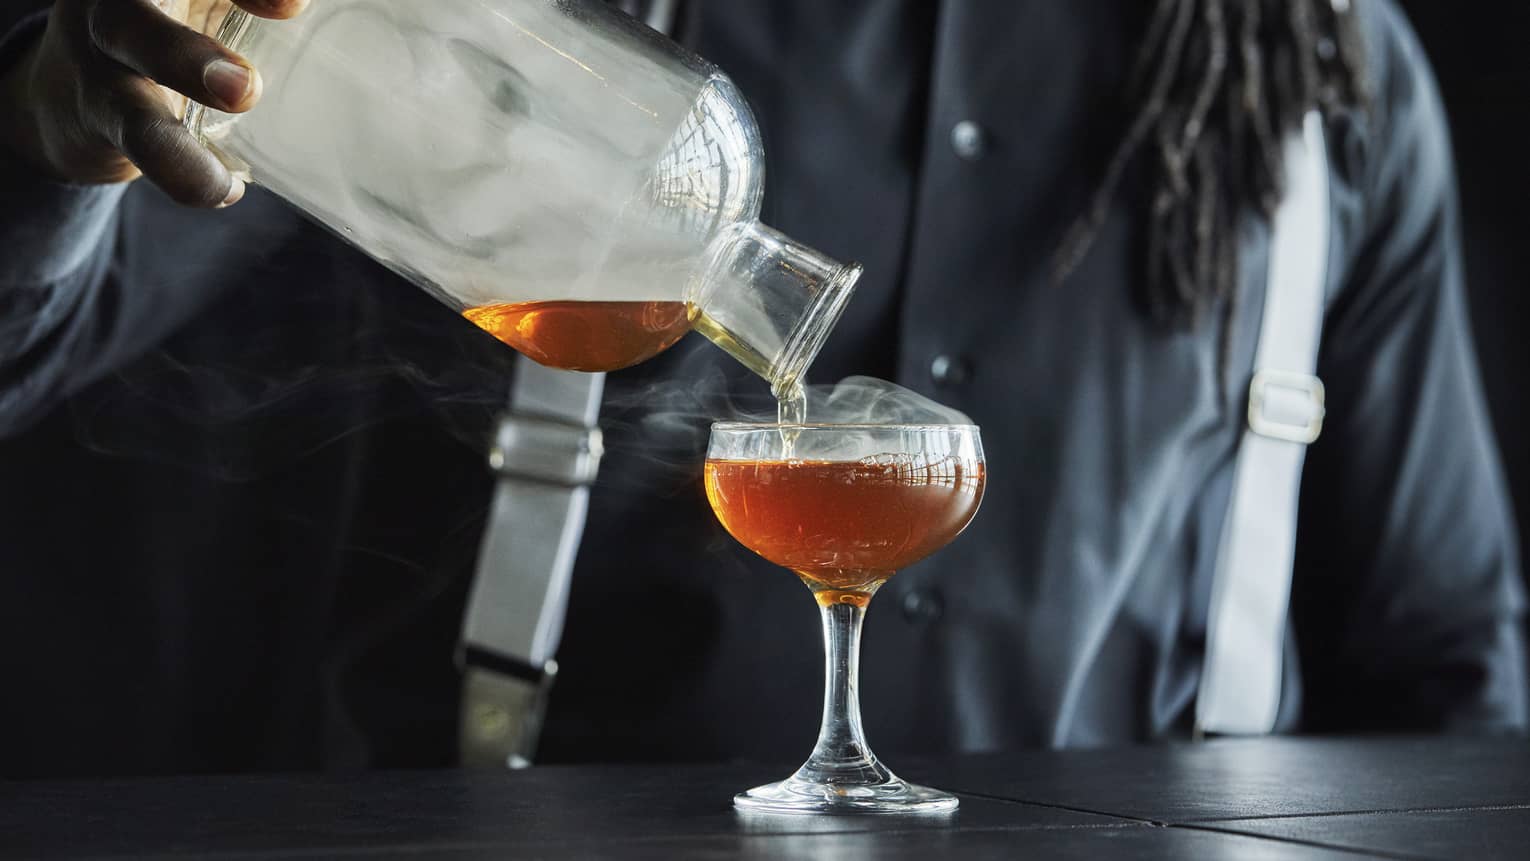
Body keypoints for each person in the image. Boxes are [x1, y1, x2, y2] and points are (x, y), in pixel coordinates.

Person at [1, 0, 1523, 778]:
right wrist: (44, 147)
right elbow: (36, 345)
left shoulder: (1310, 70)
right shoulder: (525, 36)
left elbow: (1447, 655)